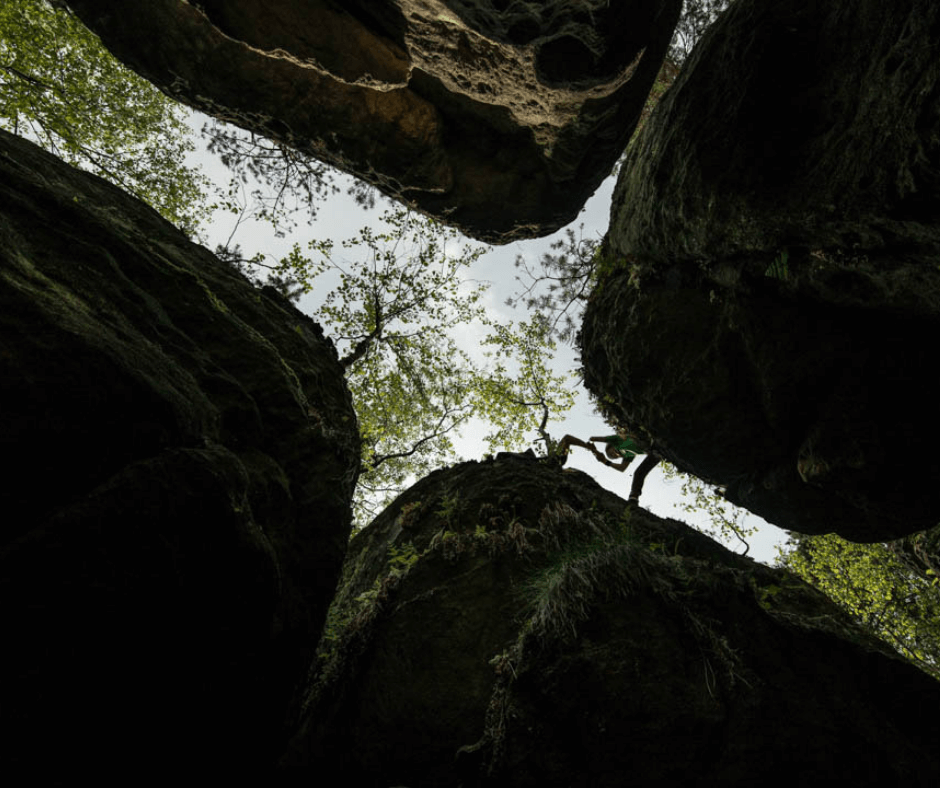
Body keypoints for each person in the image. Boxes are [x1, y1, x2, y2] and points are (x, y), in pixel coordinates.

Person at [556, 429, 662, 504]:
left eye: (612, 453)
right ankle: (633, 498)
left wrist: (593, 449)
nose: (616, 455)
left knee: (639, 472)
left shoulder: (616, 439)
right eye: (615, 457)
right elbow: (622, 468)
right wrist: (606, 462)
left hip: (647, 435)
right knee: (639, 473)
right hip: (655, 451)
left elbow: (593, 438)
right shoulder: (628, 453)